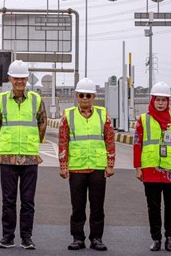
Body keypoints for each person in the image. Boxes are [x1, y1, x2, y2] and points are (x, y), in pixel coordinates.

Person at [0, 60, 46, 250]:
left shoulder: (36, 100)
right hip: (7, 157)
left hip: (30, 157)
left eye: (22, 78)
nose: (19, 82)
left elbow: (42, 125)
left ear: (27, 80)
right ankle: (7, 236)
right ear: (10, 79)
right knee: (8, 200)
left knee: (28, 201)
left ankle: (26, 237)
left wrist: (31, 143)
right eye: (16, 78)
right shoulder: (1, 100)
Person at [58, 78, 115, 251]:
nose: (85, 98)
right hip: (77, 167)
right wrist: (63, 165)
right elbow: (63, 142)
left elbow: (110, 140)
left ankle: (96, 238)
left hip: (97, 167)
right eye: (81, 95)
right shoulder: (68, 115)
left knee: (97, 205)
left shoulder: (102, 114)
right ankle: (78, 237)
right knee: (78, 205)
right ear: (76, 96)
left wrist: (110, 163)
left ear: (94, 97)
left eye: (88, 95)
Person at [133, 82, 171, 252]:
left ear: (168, 101)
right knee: (153, 207)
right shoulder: (143, 119)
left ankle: (170, 238)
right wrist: (138, 167)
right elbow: (137, 144)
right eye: (158, 100)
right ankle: (156, 238)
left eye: (164, 100)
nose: (161, 103)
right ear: (152, 100)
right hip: (150, 170)